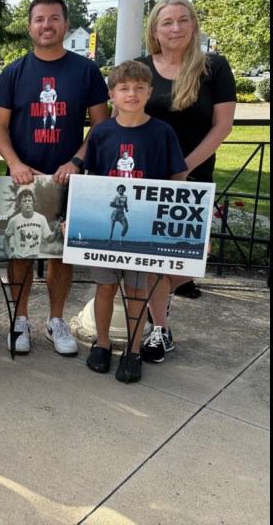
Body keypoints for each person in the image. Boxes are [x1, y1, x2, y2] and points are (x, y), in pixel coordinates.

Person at [0, 0, 110, 356]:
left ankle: (56, 320)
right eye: (39, 19)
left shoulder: (85, 71)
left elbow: (101, 127)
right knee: (20, 249)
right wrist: (14, 163)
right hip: (25, 179)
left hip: (66, 179)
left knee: (61, 253)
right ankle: (20, 318)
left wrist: (77, 161)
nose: (47, 25)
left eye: (54, 18)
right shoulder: (13, 72)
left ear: (66, 25)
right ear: (29, 27)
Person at [136, 0, 236, 362]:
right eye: (167, 22)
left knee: (189, 261)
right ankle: (159, 329)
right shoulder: (140, 68)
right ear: (155, 30)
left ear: (193, 25)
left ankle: (157, 313)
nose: (175, 28)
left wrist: (184, 167)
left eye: (182, 20)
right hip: (146, 179)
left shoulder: (215, 67)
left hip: (192, 179)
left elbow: (222, 126)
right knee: (152, 262)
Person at [82, 60, 187, 383]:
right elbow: (90, 180)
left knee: (137, 291)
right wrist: (77, 219)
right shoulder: (100, 132)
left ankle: (133, 349)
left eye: (138, 88)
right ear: (111, 94)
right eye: (124, 89)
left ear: (149, 92)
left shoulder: (161, 132)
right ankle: (102, 343)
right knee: (104, 287)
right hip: (104, 228)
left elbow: (178, 178)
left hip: (144, 228)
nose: (131, 94)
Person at [4, 188, 60, 258]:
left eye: (29, 200)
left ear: (33, 203)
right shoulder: (14, 220)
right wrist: (10, 254)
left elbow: (49, 239)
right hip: (19, 258)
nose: (27, 203)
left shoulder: (41, 218)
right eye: (24, 201)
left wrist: (56, 232)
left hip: (35, 258)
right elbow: (6, 238)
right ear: (20, 204)